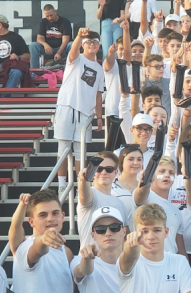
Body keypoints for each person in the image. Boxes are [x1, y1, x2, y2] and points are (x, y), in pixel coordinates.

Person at [55, 28, 105, 187]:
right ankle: (62, 185)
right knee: (63, 148)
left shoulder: (99, 68)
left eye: (95, 42)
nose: (92, 44)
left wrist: (99, 116)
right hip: (67, 105)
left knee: (80, 151)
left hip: (86, 112)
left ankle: (80, 185)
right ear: (83, 45)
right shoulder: (76, 59)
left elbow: (98, 95)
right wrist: (78, 36)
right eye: (88, 42)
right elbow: (73, 50)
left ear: (99, 46)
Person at [78, 152, 129, 248]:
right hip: (90, 260)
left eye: (109, 169)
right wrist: (83, 180)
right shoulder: (92, 194)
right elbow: (84, 195)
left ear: (116, 173)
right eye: (99, 169)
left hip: (114, 261)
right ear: (93, 172)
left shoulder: (120, 203)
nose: (104, 172)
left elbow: (125, 236)